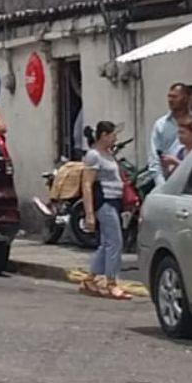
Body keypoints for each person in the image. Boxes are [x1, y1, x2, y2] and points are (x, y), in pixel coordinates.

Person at [80, 121, 131, 301]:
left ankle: (91, 278)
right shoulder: (94, 156)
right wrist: (89, 213)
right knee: (115, 242)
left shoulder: (109, 155)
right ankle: (112, 282)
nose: (115, 138)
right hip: (105, 201)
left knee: (106, 242)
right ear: (103, 135)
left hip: (114, 200)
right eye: (112, 135)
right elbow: (87, 184)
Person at [148, 82, 188, 187]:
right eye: (169, 96)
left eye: (175, 97)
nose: (170, 100)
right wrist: (161, 185)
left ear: (185, 98)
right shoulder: (160, 125)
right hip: (169, 181)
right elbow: (154, 158)